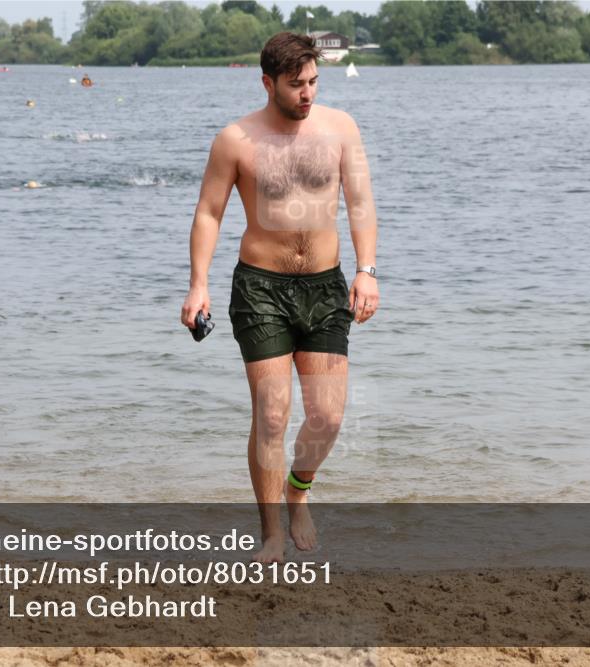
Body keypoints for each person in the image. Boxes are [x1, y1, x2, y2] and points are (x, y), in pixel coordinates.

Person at [180, 32, 379, 564]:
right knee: (271, 414)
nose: (307, 93)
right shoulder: (235, 140)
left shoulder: (341, 129)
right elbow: (209, 212)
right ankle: (270, 531)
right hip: (260, 288)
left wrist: (367, 271)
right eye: (295, 86)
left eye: (314, 82)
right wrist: (198, 283)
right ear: (268, 83)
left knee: (328, 416)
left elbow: (360, 202)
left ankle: (300, 487)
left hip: (325, 285)